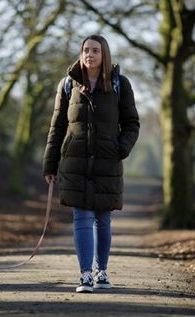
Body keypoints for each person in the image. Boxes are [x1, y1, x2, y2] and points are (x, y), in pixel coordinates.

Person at [42, 34, 140, 293]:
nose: (89, 54)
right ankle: (85, 275)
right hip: (74, 163)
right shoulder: (67, 85)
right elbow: (57, 127)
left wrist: (121, 148)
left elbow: (132, 123)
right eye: (86, 50)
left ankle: (102, 272)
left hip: (107, 162)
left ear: (104, 54)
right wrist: (49, 165)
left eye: (95, 50)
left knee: (103, 219)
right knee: (81, 217)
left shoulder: (120, 84)